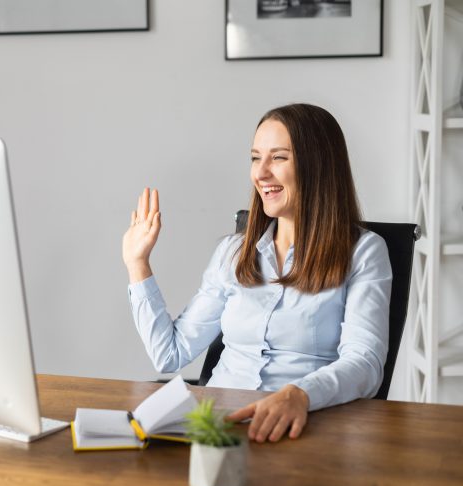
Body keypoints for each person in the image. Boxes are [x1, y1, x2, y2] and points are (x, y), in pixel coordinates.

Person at [122, 103, 391, 443]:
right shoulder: (232, 253)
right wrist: (138, 264)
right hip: (216, 427)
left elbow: (365, 363)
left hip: (302, 427)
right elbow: (169, 354)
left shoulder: (364, 252)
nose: (260, 173)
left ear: (318, 167)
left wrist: (300, 394)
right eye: (255, 157)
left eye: (278, 158)